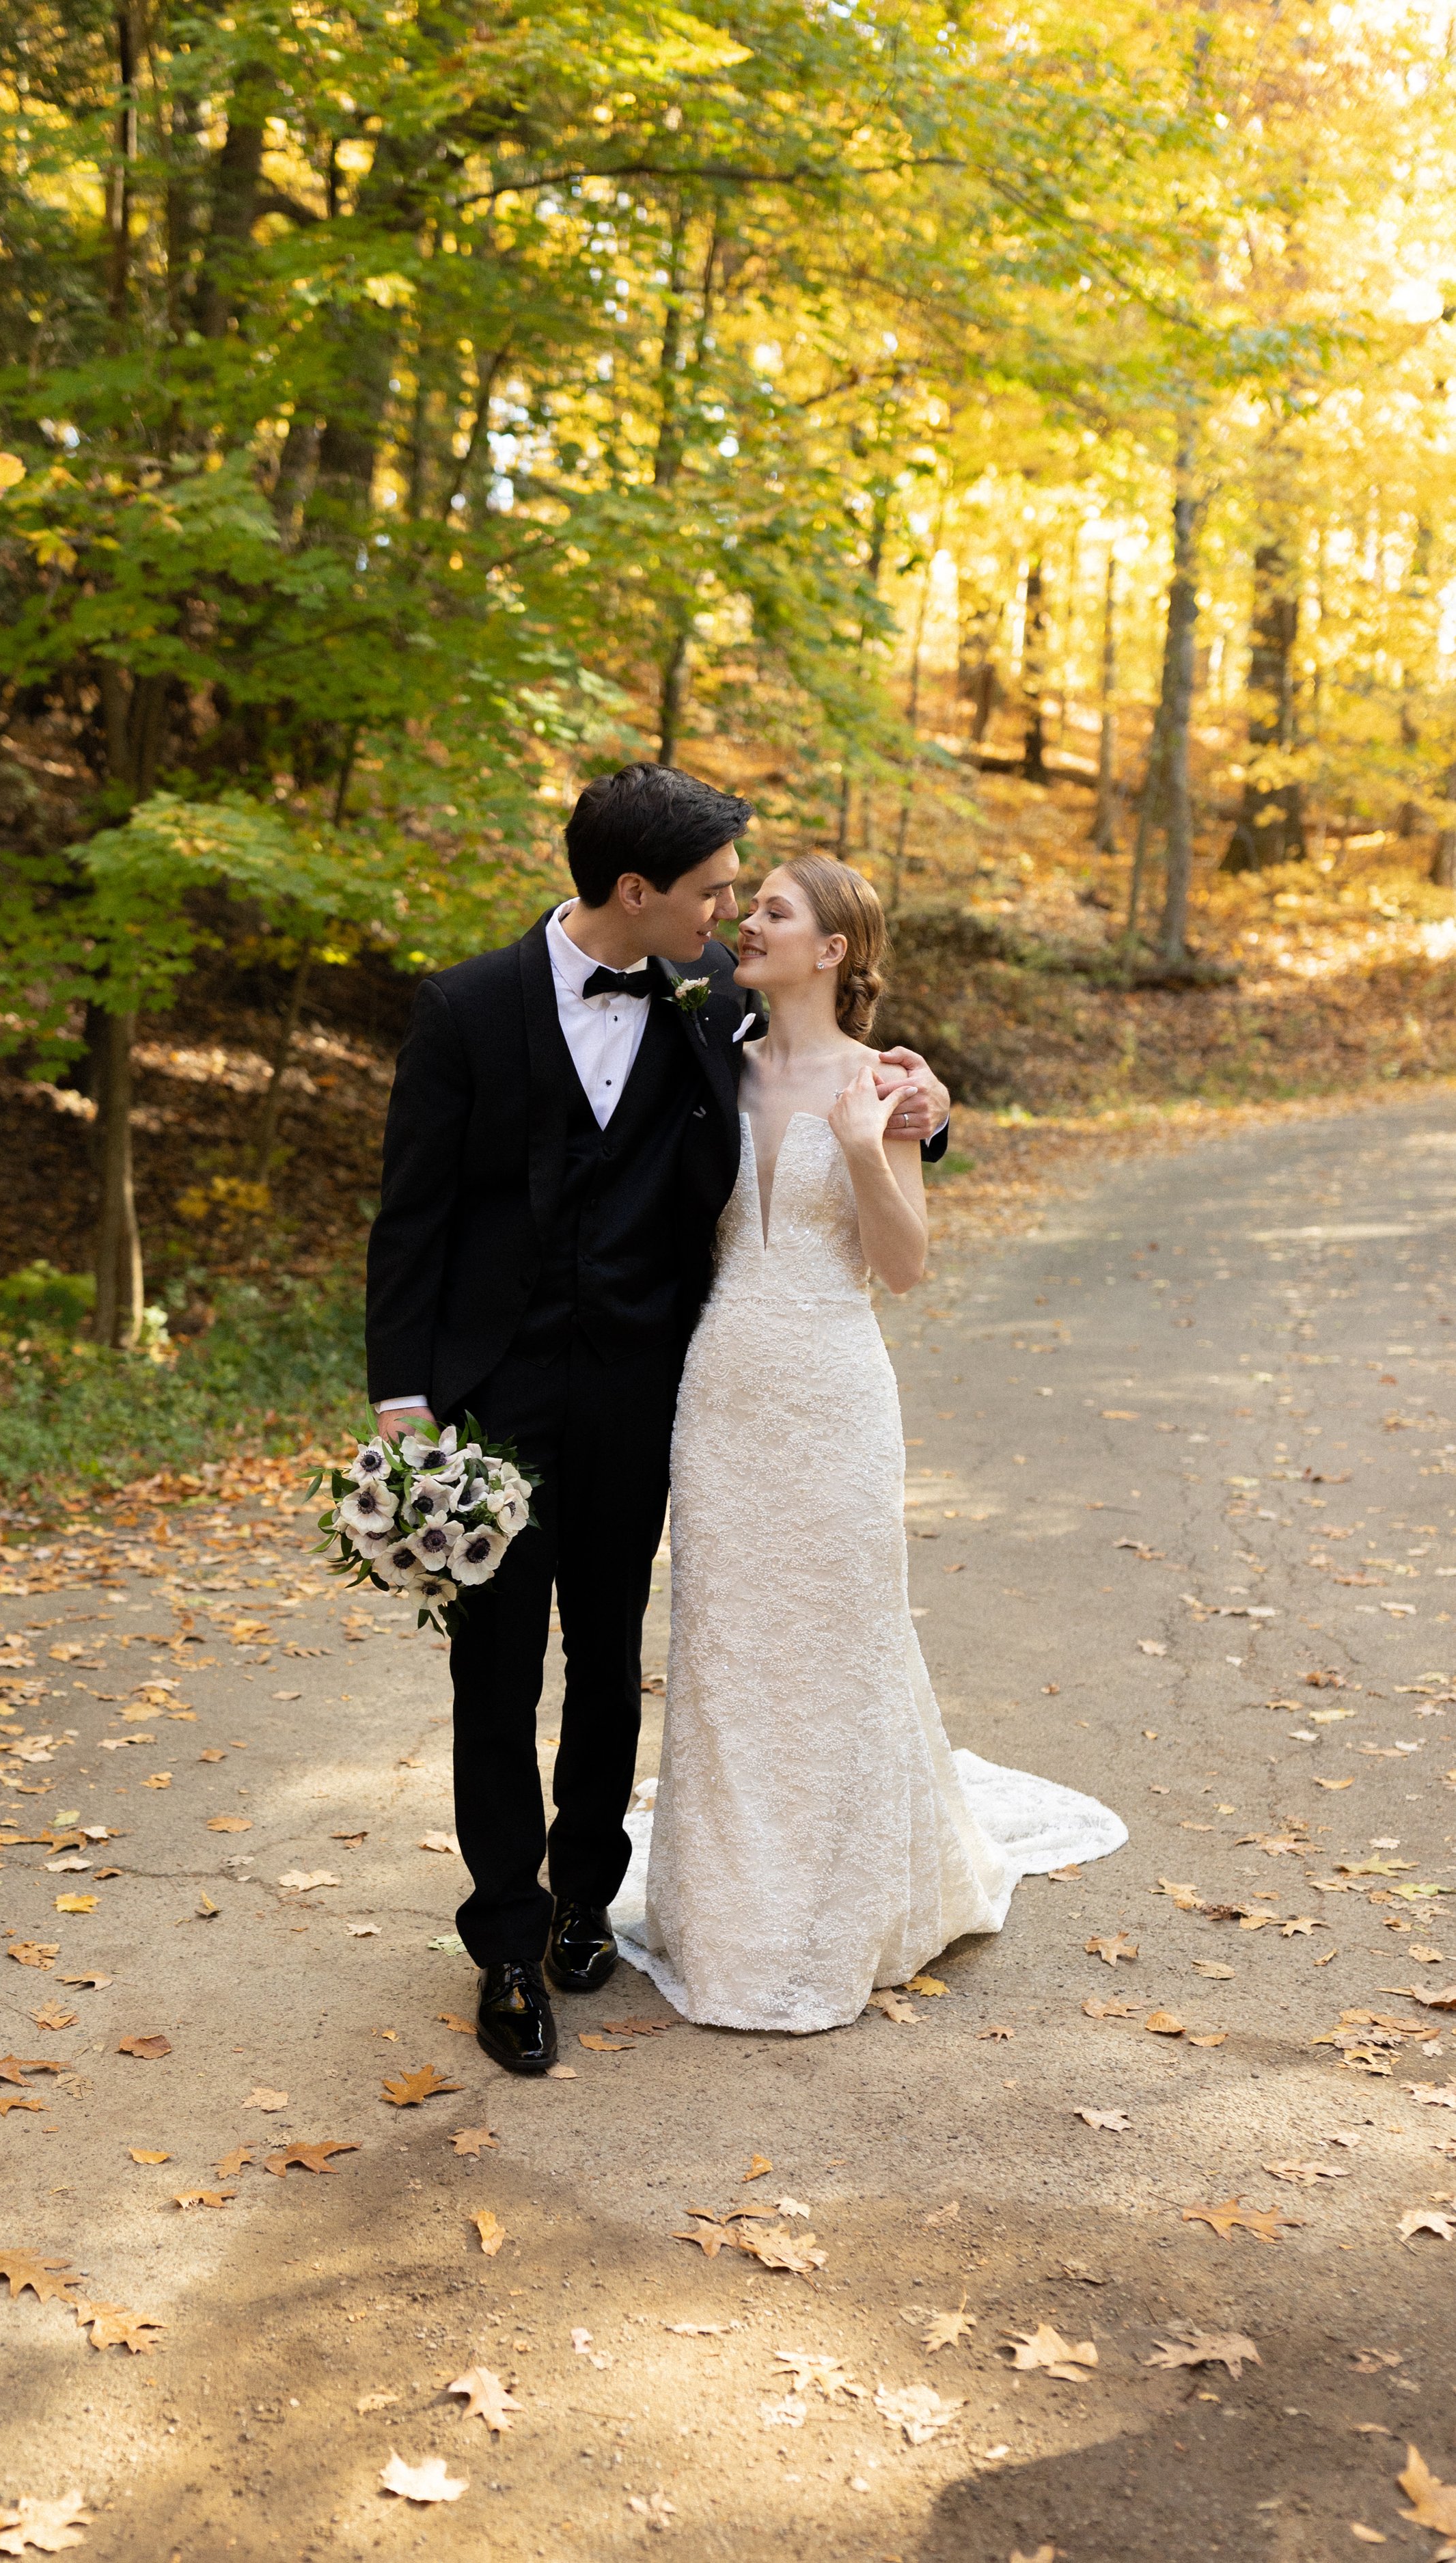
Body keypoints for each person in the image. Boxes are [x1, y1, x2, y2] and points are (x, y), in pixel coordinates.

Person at [364, 768, 952, 2073]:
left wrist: (930, 1113)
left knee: (613, 1650)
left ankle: (586, 1894)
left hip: (653, 1393)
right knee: (495, 1667)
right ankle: (507, 1940)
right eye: (715, 890)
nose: (733, 910)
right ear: (639, 892)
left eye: (750, 898)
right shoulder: (464, 1009)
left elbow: (838, 1085)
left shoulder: (708, 1015)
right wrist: (407, 1407)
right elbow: (410, 1221)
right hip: (494, 1407)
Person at [610, 854, 1125, 2030]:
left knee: (841, 1633)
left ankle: (840, 1905)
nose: (745, 920)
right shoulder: (704, 1061)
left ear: (833, 948)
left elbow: (903, 1266)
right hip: (724, 1385)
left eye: (773, 911)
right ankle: (728, 1912)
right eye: (748, 907)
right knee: (728, 1639)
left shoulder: (889, 1087)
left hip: (838, 1385)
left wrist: (862, 1143)